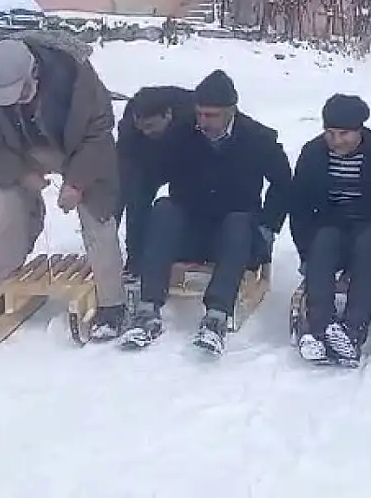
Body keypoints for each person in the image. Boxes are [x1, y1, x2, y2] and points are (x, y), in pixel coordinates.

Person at [0, 30, 127, 342]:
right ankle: (0, 290)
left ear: (35, 74)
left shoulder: (75, 74)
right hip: (20, 150)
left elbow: (99, 131)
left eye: (21, 91)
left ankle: (112, 304)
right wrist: (21, 174)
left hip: (79, 147)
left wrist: (77, 183)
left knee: (98, 219)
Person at [120, 70, 292, 355]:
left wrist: (267, 227)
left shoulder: (258, 138)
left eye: (211, 115)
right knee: (163, 209)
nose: (203, 121)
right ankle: (148, 309)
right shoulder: (182, 134)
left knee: (239, 221)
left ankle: (216, 315)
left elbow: (283, 184)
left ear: (230, 111)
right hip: (190, 229)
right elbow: (148, 180)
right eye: (199, 114)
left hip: (234, 236)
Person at [289, 94, 371, 366]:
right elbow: (299, 208)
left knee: (369, 246)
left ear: (360, 130)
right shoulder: (313, 154)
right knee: (323, 241)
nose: (336, 141)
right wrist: (307, 253)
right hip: (334, 223)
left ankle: (352, 331)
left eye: (344, 134)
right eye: (329, 133)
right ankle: (320, 328)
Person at [115, 85, 195, 280]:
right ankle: (135, 260)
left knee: (184, 203)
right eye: (141, 127)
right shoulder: (131, 125)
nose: (145, 131)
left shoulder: (192, 112)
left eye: (150, 126)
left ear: (168, 115)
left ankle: (189, 250)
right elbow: (123, 165)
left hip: (188, 159)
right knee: (134, 197)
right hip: (147, 162)